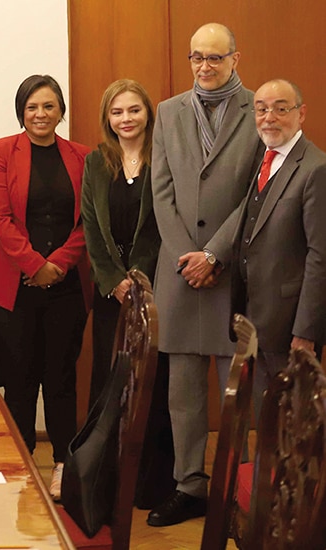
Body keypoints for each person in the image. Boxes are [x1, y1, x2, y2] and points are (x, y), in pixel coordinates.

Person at [146, 23, 259, 527]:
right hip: (179, 272)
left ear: (236, 58)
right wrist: (189, 257)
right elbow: (161, 191)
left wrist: (213, 255)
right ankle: (189, 485)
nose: (205, 67)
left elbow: (259, 194)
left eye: (215, 58)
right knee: (184, 394)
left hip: (234, 272)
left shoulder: (259, 109)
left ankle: (239, 491)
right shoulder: (168, 112)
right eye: (197, 58)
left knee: (240, 394)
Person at [0, 74, 91, 501]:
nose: (41, 114)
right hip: (12, 287)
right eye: (32, 107)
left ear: (61, 111)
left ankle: (62, 466)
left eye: (49, 106)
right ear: (22, 111)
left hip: (64, 286)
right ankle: (18, 465)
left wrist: (56, 265)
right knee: (18, 382)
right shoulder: (0, 152)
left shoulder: (82, 156)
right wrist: (34, 265)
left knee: (61, 379)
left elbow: (86, 222)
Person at [80, 79, 176, 509]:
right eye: (117, 112)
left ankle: (151, 486)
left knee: (154, 387)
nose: (126, 119)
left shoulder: (166, 158)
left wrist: (140, 279)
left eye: (133, 110)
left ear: (148, 114)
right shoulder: (96, 163)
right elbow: (90, 229)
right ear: (107, 119)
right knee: (110, 382)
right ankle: (106, 484)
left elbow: (167, 226)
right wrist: (114, 280)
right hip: (111, 295)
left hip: (156, 291)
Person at [230, 79, 326, 417]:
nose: (269, 117)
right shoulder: (265, 159)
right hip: (255, 319)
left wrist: (306, 332)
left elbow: (320, 257)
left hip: (290, 327)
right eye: (261, 109)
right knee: (267, 423)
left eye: (280, 108)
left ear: (301, 114)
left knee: (296, 427)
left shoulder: (316, 168)